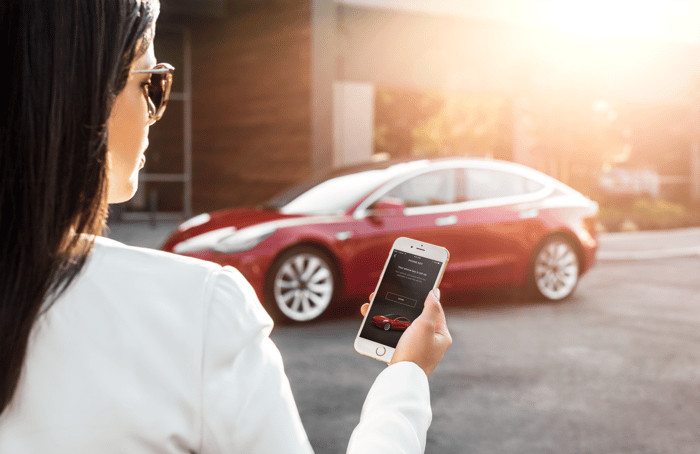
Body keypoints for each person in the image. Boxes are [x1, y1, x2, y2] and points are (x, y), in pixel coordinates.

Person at [0, 0, 452, 452]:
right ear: (80, 93)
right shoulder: (199, 310)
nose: (159, 111)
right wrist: (406, 378)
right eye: (153, 84)